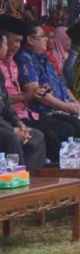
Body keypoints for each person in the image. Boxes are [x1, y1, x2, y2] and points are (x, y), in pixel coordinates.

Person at [16, 21, 80, 161]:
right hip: (47, 109)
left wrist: (75, 102)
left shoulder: (45, 57)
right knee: (72, 127)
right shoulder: (24, 59)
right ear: (30, 40)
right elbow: (38, 94)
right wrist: (66, 107)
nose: (47, 40)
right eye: (43, 36)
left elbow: (63, 85)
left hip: (65, 104)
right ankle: (73, 167)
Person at [0, 31, 46, 171]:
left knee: (36, 135)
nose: (7, 48)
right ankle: (15, 181)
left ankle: (30, 177)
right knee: (11, 138)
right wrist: (12, 130)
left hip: (4, 123)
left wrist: (19, 124)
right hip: (3, 127)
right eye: (5, 44)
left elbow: (7, 104)